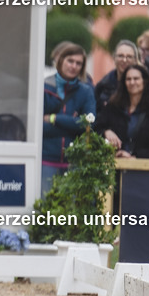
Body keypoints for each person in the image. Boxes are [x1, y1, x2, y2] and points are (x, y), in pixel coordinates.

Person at [42, 43, 95, 194]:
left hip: (74, 161)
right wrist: (72, 123)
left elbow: (88, 124)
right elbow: (38, 127)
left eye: (78, 63)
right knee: (44, 211)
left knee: (71, 213)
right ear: (61, 61)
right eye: (70, 61)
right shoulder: (45, 87)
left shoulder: (85, 91)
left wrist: (54, 118)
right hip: (46, 159)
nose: (74, 66)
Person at [94, 64, 149, 159]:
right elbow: (96, 128)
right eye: (128, 79)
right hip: (113, 164)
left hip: (141, 167)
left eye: (136, 79)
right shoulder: (113, 106)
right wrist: (106, 132)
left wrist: (135, 156)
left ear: (144, 81)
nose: (132, 82)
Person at [94, 40, 140, 111]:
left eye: (129, 57)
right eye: (120, 56)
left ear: (135, 60)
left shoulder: (144, 85)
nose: (124, 60)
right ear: (114, 58)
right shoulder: (103, 86)